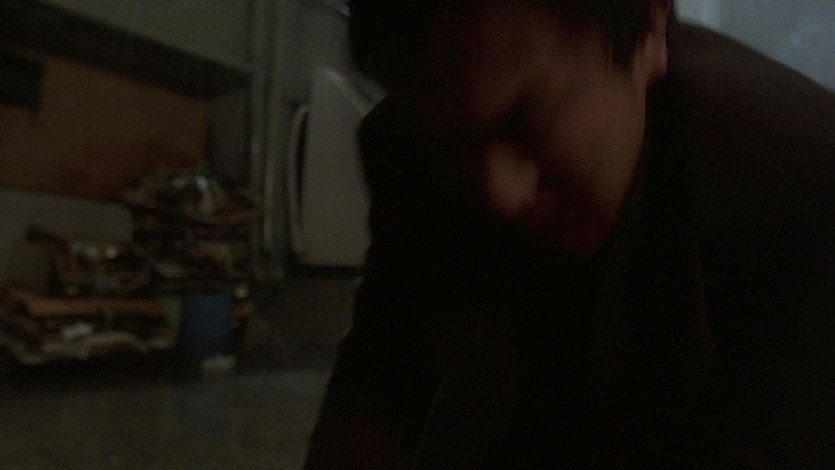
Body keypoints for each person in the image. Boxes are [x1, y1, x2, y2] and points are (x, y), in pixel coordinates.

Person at [305, 0, 835, 467]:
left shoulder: (799, 186)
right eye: (455, 150)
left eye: (526, 119)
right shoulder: (411, 151)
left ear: (648, 30)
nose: (499, 195)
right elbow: (381, 381)